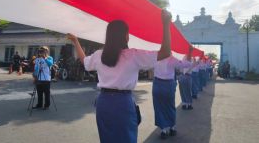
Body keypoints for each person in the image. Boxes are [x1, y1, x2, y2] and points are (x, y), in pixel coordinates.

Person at [67, 9, 172, 143]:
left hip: (103, 102)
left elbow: (85, 62)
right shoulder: (133, 55)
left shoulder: (99, 54)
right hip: (123, 103)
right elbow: (166, 52)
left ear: (108, 36)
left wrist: (76, 42)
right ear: (126, 36)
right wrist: (166, 24)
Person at [153, 47, 192, 139]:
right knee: (170, 106)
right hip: (168, 84)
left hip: (157, 84)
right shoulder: (172, 59)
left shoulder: (156, 57)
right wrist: (189, 52)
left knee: (159, 107)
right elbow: (186, 64)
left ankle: (164, 130)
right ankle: (172, 128)